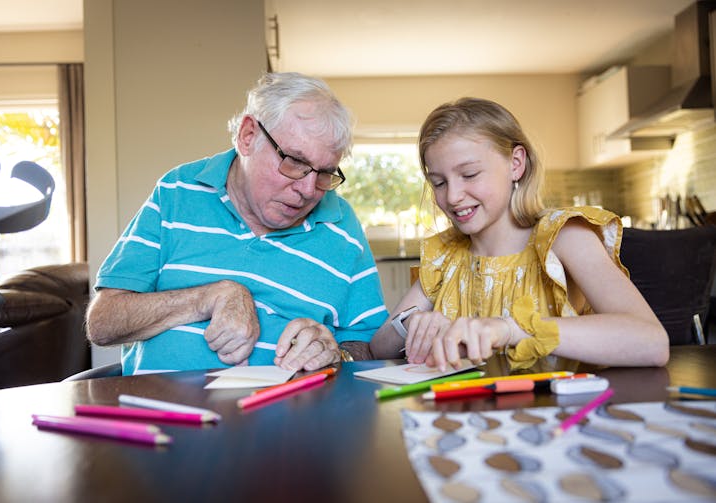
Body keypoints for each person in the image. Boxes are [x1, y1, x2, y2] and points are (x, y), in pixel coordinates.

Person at [87, 72, 387, 375]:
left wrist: (337, 353)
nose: (309, 191)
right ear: (248, 136)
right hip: (163, 414)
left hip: (290, 416)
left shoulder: (342, 225)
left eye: (325, 173)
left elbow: (370, 343)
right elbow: (103, 323)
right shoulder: (177, 192)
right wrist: (207, 297)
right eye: (295, 161)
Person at [370, 97, 669, 371]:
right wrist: (412, 323)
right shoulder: (445, 255)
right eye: (438, 182)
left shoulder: (563, 237)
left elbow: (652, 342)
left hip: (559, 419)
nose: (453, 196)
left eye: (470, 174)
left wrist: (510, 329)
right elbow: (378, 347)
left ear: (516, 164)